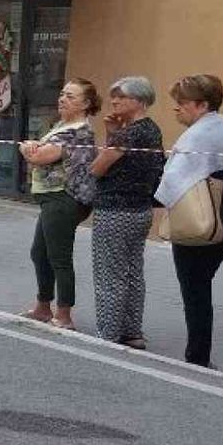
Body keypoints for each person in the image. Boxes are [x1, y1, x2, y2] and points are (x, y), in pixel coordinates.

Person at [155, 75, 223, 367]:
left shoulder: (197, 136)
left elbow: (173, 180)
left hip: (200, 220)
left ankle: (197, 355)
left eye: (182, 103)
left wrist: (153, 202)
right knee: (201, 284)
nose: (177, 110)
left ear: (201, 104)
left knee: (194, 287)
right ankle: (198, 353)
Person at [89, 77, 165, 349]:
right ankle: (132, 331)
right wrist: (112, 132)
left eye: (122, 97)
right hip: (141, 210)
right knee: (132, 272)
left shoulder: (130, 133)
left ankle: (107, 333)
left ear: (139, 101)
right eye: (114, 96)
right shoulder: (152, 130)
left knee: (109, 273)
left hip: (115, 210)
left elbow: (98, 167)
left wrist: (112, 136)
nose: (115, 101)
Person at [18, 79, 100, 331]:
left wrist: (28, 148)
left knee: (59, 257)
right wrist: (33, 147)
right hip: (50, 196)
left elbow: (40, 156)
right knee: (39, 252)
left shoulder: (79, 132)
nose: (63, 99)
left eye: (71, 96)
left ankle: (64, 314)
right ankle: (43, 306)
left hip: (63, 197)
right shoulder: (63, 125)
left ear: (86, 104)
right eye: (63, 94)